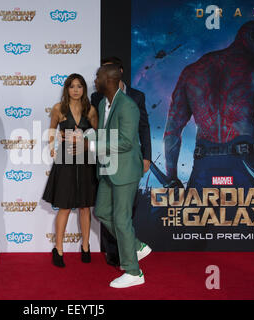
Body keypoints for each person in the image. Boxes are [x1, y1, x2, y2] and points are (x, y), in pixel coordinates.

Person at [164, 21, 254, 189]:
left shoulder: (191, 72)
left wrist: (172, 178)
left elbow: (172, 131)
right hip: (246, 169)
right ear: (252, 37)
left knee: (201, 215)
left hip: (203, 168)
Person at [91, 56, 152, 267]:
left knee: (122, 219)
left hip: (125, 168)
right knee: (101, 212)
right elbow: (103, 135)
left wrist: (90, 146)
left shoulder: (128, 105)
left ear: (110, 80)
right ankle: (136, 246)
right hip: (108, 167)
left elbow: (126, 141)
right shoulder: (102, 104)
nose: (95, 80)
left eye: (98, 76)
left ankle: (133, 272)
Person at [42, 73, 98, 267]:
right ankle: (58, 249)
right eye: (72, 86)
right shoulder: (59, 109)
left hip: (85, 161)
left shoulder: (90, 110)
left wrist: (85, 142)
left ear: (84, 89)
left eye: (79, 86)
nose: (75, 90)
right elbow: (51, 130)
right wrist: (51, 146)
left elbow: (97, 137)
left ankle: (85, 246)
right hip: (64, 160)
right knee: (64, 206)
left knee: (84, 206)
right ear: (66, 89)